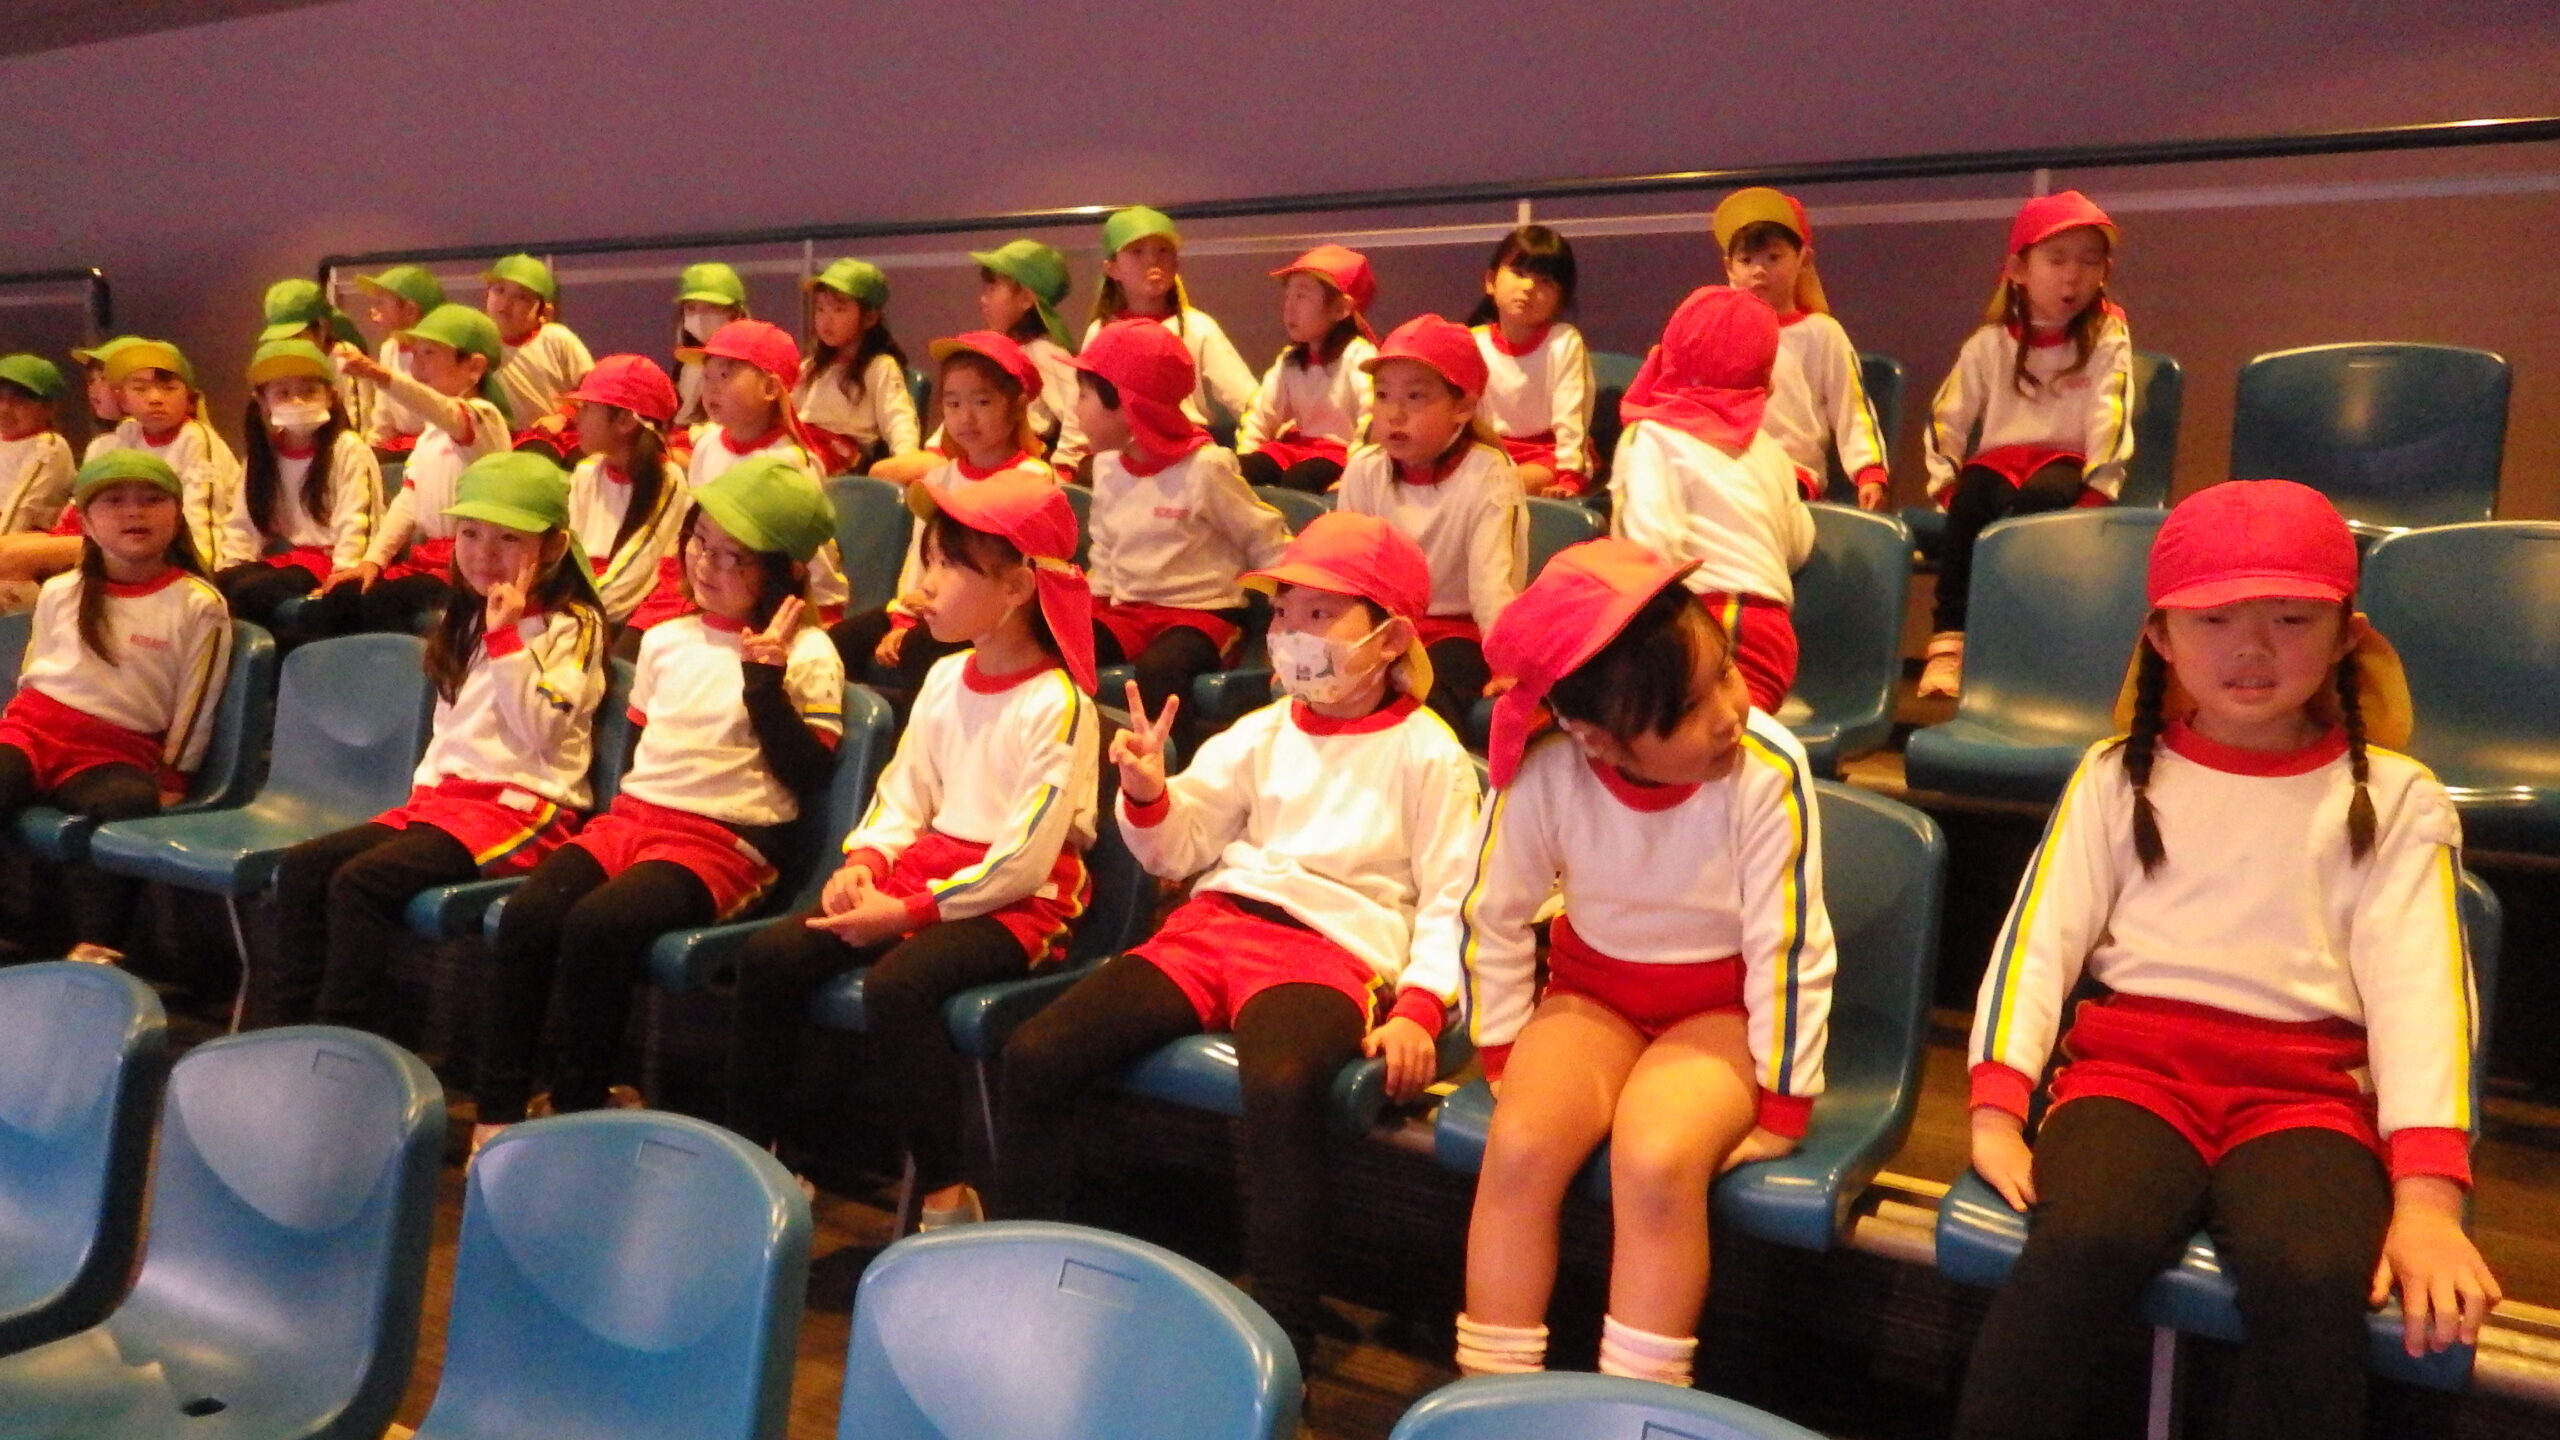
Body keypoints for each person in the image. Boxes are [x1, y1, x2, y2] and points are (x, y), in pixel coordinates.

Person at [1952, 479, 2498, 1440]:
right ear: (2160, 637)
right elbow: (2037, 942)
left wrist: (2427, 1199)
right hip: (2131, 1080)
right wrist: (1998, 1107)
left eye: (2291, 619)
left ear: (2347, 636)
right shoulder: (2114, 775)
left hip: (2308, 1099)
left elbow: (2424, 1001)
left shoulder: (2399, 797)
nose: (2251, 648)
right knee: (2087, 1237)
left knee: (2313, 1273)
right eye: (2213, 620)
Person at [1001, 512, 1478, 1366]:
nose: (1291, 633)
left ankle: (1283, 1339)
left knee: (1285, 1085)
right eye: (1284, 612)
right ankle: (1028, 1278)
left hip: (1329, 948)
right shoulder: (1263, 728)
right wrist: (1148, 792)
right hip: (1212, 928)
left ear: (1392, 637)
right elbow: (1177, 846)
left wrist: (1418, 1006)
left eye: (1319, 614)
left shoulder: (1429, 754)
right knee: (1036, 1054)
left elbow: (1452, 899)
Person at [1452, 536, 1831, 1386]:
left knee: (1656, 1162)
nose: (1730, 712)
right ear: (1597, 737)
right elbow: (1493, 911)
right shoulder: (1545, 767)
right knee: (1518, 1149)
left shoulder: (1768, 764)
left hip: (1721, 1008)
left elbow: (1791, 940)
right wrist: (1503, 1044)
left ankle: (1634, 1411)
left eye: (1726, 673)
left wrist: (1785, 1098)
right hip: (1593, 995)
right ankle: (1491, 1402)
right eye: (1690, 709)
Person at [728, 472, 1097, 1225]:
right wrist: (864, 863)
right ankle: (764, 1161)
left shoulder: (1058, 703)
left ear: (1017, 587)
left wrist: (907, 912)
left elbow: (1024, 858)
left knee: (899, 985)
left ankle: (946, 1194)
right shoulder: (944, 678)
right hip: (927, 877)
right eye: (929, 561)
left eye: (949, 566)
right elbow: (902, 796)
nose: (924, 586)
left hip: (1015, 903)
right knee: (772, 956)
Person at [475, 454, 843, 1154]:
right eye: (700, 542)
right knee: (530, 913)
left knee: (599, 925)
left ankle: (577, 1112)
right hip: (636, 820)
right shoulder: (668, 639)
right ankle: (496, 1113)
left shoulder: (809, 652)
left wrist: (763, 683)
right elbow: (647, 753)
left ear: (784, 573)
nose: (707, 564)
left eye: (734, 557)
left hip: (725, 841)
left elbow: (808, 772)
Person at [264, 453, 607, 1029]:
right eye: (470, 533)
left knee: (361, 884)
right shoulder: (465, 615)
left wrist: (506, 640)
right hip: (446, 804)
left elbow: (540, 732)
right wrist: (424, 794)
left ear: (552, 547)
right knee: (302, 868)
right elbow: (450, 732)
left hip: (524, 808)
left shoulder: (573, 626)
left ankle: (337, 1041)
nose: (484, 553)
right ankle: (283, 1034)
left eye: (508, 538)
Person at [0, 450, 231, 964]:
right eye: (114, 501)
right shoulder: (60, 591)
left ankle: (97, 951)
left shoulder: (199, 603)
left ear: (177, 516)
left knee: (125, 804)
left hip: (112, 750)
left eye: (152, 500)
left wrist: (176, 776)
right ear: (85, 522)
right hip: (32, 731)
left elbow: (199, 699)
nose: (134, 512)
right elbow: (34, 669)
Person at [1919, 191, 2134, 698]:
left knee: (2039, 501)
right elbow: (1947, 415)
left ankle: (2025, 646)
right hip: (1999, 464)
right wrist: (1945, 482)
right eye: (2056, 260)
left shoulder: (2107, 336)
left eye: (2089, 261)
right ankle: (1950, 644)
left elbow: (2111, 411)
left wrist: (2099, 488)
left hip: (2066, 464)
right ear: (2018, 269)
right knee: (1972, 499)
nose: (2072, 276)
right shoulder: (1989, 343)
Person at [1713, 186, 1890, 509]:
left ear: (1803, 259)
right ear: (1730, 268)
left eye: (1773, 257)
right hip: (1725, 467)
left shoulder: (1822, 334)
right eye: (1746, 260)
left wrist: (1869, 471)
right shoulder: (1718, 331)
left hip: (1790, 472)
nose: (1759, 270)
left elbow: (1851, 407)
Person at [1236, 243, 1379, 495]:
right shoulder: (1290, 360)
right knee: (1242, 469)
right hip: (1296, 448)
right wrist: (1245, 457)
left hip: (1338, 455)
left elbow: (1371, 422)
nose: (1289, 307)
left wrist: (1354, 474)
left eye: (1301, 296)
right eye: (1288, 296)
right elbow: (1261, 414)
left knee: (1299, 480)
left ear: (1340, 309)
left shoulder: (1360, 358)